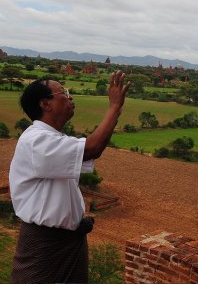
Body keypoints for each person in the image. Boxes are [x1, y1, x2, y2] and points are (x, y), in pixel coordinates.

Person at [9, 71, 130, 284]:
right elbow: (92, 148)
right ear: (46, 104)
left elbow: (90, 151)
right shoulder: (37, 141)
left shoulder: (52, 138)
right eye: (64, 93)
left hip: (67, 241)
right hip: (45, 246)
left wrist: (115, 111)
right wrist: (113, 106)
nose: (70, 97)